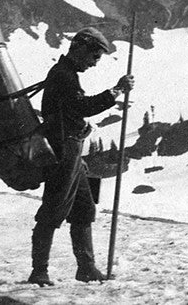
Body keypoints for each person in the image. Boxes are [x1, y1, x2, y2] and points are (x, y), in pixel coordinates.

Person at [28, 27, 135, 286]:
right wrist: (117, 90)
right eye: (94, 56)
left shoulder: (64, 74)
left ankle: (86, 268)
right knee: (53, 209)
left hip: (72, 151)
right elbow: (80, 106)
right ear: (80, 47)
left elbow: (69, 112)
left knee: (84, 209)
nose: (94, 63)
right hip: (63, 154)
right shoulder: (64, 75)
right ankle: (39, 271)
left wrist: (80, 127)